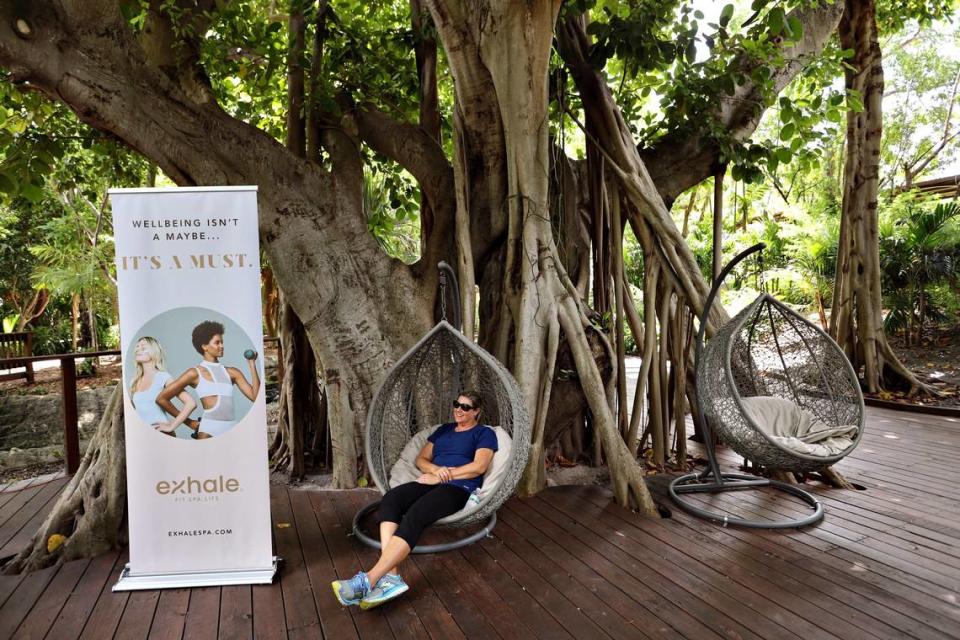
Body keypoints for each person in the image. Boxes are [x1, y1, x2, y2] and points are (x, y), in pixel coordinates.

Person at [332, 391, 498, 610]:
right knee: (391, 499)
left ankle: (368, 580)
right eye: (457, 404)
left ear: (476, 411)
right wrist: (436, 472)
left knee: (416, 514)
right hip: (431, 479)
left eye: (466, 407)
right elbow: (421, 459)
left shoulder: (484, 433)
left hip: (458, 486)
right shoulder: (443, 430)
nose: (459, 409)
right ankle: (392, 577)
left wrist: (442, 475)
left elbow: (479, 467)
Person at [156, 320, 260, 438]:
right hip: (208, 431)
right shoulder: (194, 373)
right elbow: (161, 399)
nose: (222, 346)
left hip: (232, 428)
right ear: (204, 346)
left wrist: (252, 364)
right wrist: (190, 423)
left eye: (222, 342)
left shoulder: (232, 372)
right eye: (217, 342)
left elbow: (255, 397)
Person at [129, 336, 197, 438]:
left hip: (162, 434)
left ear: (154, 351)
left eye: (143, 347)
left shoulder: (163, 377)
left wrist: (171, 426)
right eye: (137, 347)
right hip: (142, 437)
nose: (138, 349)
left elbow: (191, 403)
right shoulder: (135, 380)